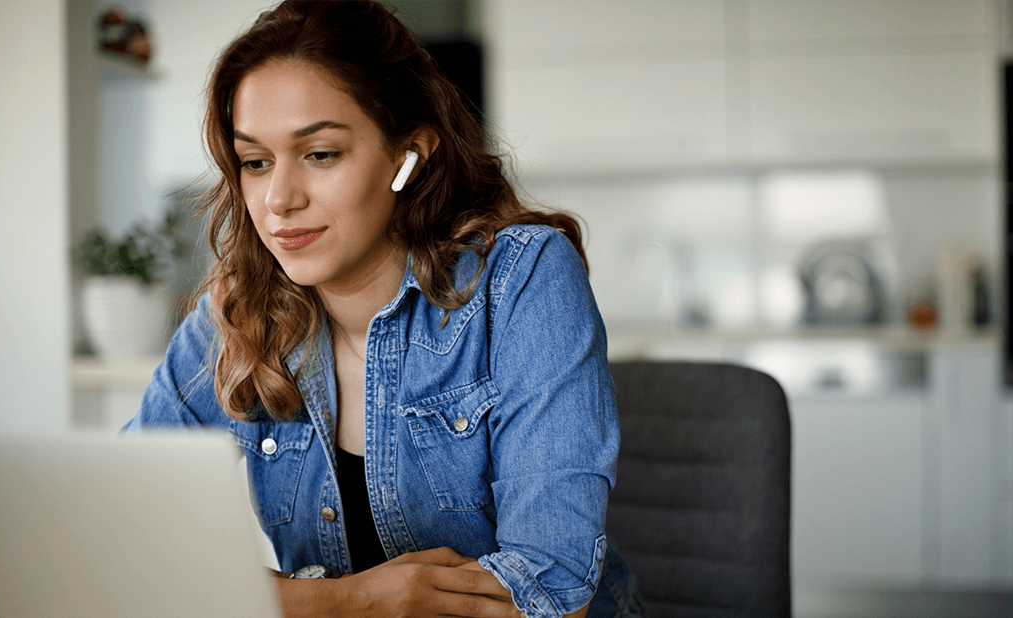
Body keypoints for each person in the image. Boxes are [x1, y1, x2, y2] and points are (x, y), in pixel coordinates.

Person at [123, 2, 642, 617]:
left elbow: (551, 593)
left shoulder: (522, 278)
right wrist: (352, 600)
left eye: (321, 154)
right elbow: (120, 545)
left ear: (408, 157)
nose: (279, 200)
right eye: (255, 162)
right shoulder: (234, 316)